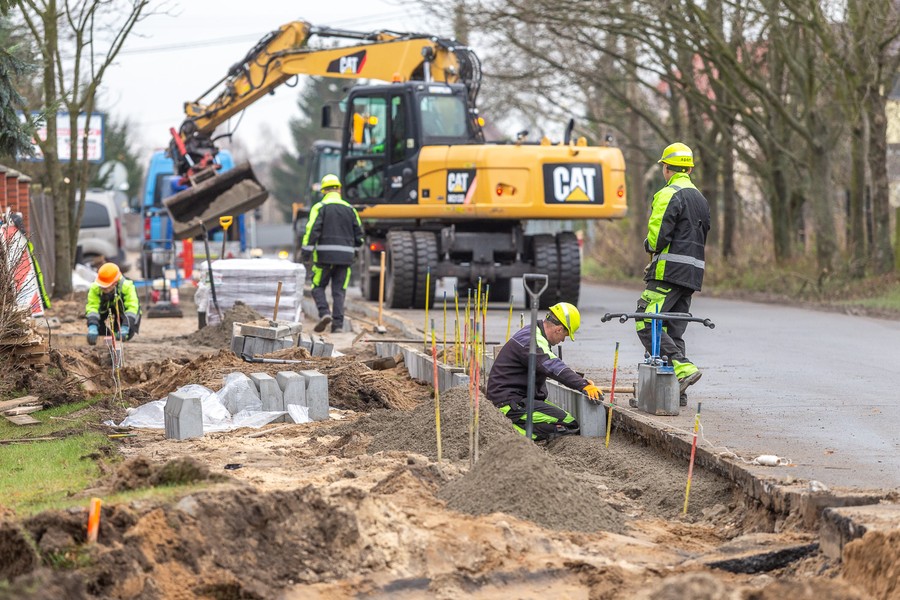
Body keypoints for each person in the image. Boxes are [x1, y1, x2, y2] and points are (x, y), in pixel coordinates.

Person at [636, 142, 711, 406]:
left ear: (667, 168)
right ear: (689, 168)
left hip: (667, 272)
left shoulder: (669, 193)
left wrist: (648, 245)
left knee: (646, 320)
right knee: (673, 331)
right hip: (692, 275)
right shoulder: (701, 199)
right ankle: (676, 393)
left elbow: (657, 238)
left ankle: (683, 368)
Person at [487, 302, 603, 441]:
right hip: (509, 403)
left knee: (564, 421)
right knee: (568, 425)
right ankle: (511, 434)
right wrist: (582, 385)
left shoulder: (533, 333)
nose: (563, 340)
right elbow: (552, 365)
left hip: (515, 399)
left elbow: (547, 363)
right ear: (559, 329)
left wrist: (579, 380)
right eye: (565, 335)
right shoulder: (532, 341)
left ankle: (515, 429)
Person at [301, 174, 365, 333]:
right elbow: (360, 236)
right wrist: (354, 252)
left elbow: (311, 231)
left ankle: (324, 313)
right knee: (339, 291)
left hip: (324, 257)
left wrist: (306, 253)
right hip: (345, 259)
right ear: (339, 189)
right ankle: (337, 325)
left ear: (323, 191)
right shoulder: (350, 210)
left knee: (317, 287)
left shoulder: (320, 207)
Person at [85, 262, 141, 345]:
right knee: (100, 332)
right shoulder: (95, 287)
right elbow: (92, 307)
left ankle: (119, 330)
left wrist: (126, 326)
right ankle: (107, 334)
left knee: (127, 334)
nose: (103, 288)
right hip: (104, 310)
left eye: (106, 287)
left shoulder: (127, 286)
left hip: (122, 312)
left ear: (115, 283)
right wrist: (92, 325)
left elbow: (132, 307)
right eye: (102, 286)